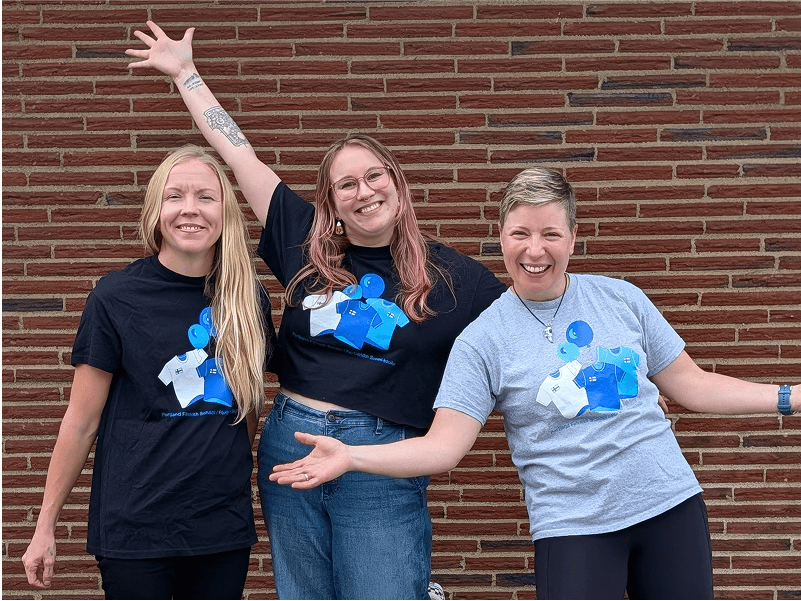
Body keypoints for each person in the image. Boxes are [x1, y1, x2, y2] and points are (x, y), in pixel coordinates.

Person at [270, 167, 801, 600]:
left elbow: (694, 386)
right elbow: (443, 447)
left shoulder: (621, 298)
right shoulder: (482, 340)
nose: (535, 250)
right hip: (572, 526)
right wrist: (352, 455)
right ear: (501, 237)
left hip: (669, 505)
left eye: (551, 234)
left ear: (573, 237)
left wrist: (788, 397)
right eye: (520, 234)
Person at [125, 21, 508, 601]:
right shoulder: (305, 243)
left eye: (374, 176)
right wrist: (186, 74)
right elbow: (237, 152)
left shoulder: (460, 279)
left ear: (398, 184)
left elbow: (530, 329)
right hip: (292, 444)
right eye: (345, 185)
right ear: (330, 203)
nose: (364, 191)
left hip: (379, 455)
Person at [21, 146, 277, 600]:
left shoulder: (246, 298)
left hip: (219, 527)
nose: (190, 209)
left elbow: (246, 410)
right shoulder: (115, 297)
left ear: (225, 212)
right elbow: (80, 423)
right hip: (135, 528)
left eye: (205, 196)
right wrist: (45, 525)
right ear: (156, 210)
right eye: (175, 196)